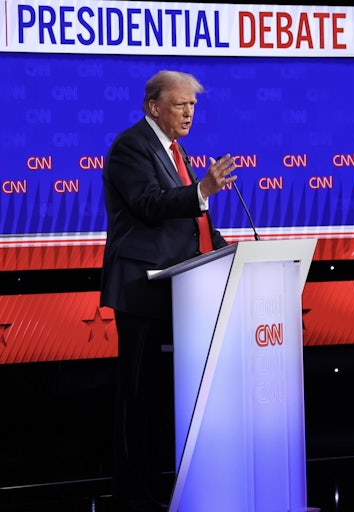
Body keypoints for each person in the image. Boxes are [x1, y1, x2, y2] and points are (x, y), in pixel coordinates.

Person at [100, 70, 237, 512]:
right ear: (153, 107)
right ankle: (133, 494)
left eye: (193, 106)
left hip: (180, 291)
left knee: (162, 399)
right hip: (143, 291)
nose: (188, 112)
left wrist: (226, 251)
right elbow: (150, 204)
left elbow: (190, 222)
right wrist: (202, 190)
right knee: (138, 398)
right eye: (180, 104)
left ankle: (160, 489)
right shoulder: (130, 147)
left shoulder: (176, 151)